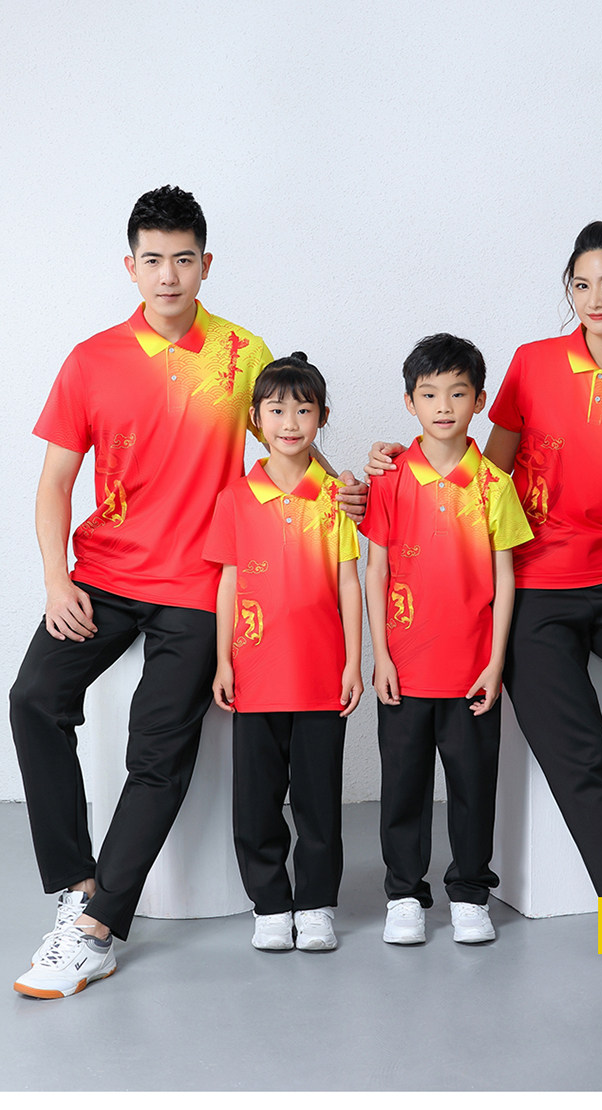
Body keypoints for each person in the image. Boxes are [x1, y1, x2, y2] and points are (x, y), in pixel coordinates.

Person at [368, 222, 602, 988]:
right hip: (533, 587)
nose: (594, 299)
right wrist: (399, 468)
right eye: (580, 284)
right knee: (581, 759)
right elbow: (486, 474)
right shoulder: (536, 363)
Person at [10, 187, 366, 998]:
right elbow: (55, 481)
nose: (167, 275)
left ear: (205, 264)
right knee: (33, 699)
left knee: (157, 748)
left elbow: (288, 438)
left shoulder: (242, 352)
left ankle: (96, 932)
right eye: (152, 260)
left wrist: (340, 490)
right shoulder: (91, 360)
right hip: (102, 575)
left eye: (182, 259)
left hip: (200, 585)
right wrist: (56, 576)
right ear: (130, 266)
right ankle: (77, 884)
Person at [360, 334, 533, 945]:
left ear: (479, 401)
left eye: (458, 393)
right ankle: (404, 895)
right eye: (429, 394)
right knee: (403, 788)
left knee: (472, 787)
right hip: (404, 669)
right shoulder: (390, 480)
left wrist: (495, 662)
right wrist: (380, 656)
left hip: (471, 672)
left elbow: (507, 579)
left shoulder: (493, 485)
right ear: (410, 403)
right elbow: (375, 572)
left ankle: (470, 894)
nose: (443, 406)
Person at [203, 354, 363, 952]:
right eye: (276, 410)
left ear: (322, 417)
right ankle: (270, 905)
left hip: (322, 676)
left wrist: (354, 662)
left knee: (319, 801)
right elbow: (228, 582)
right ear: (256, 418)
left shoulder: (338, 498)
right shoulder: (236, 498)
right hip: (255, 674)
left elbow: (350, 583)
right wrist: (224, 660)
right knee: (256, 801)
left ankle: (316, 904)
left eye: (303, 410)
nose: (290, 422)